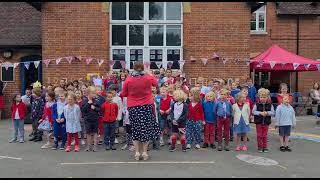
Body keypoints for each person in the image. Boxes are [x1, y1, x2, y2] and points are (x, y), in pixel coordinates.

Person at [120, 61, 160, 161]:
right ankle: (145, 153)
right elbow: (156, 83)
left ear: (133, 68)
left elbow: (124, 94)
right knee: (146, 129)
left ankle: (137, 152)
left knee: (135, 129)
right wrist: (148, 73)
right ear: (143, 68)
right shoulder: (147, 77)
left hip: (133, 107)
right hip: (147, 106)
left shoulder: (128, 80)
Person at [253, 88, 275, 153]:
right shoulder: (256, 104)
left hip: (266, 122)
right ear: (259, 97)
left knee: (264, 135)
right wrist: (260, 113)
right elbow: (253, 111)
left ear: (267, 97)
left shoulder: (270, 105)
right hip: (259, 122)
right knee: (259, 135)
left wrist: (267, 113)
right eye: (261, 97)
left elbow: (273, 112)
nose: (263, 98)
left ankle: (265, 147)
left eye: (264, 97)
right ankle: (260, 147)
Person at [82, 86, 101, 152]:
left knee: (95, 133)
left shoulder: (97, 101)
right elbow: (83, 110)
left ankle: (95, 146)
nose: (94, 94)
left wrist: (95, 108)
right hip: (87, 120)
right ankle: (88, 146)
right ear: (88, 93)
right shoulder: (84, 101)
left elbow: (99, 109)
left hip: (95, 119)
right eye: (92, 93)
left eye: (94, 93)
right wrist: (88, 104)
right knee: (88, 133)